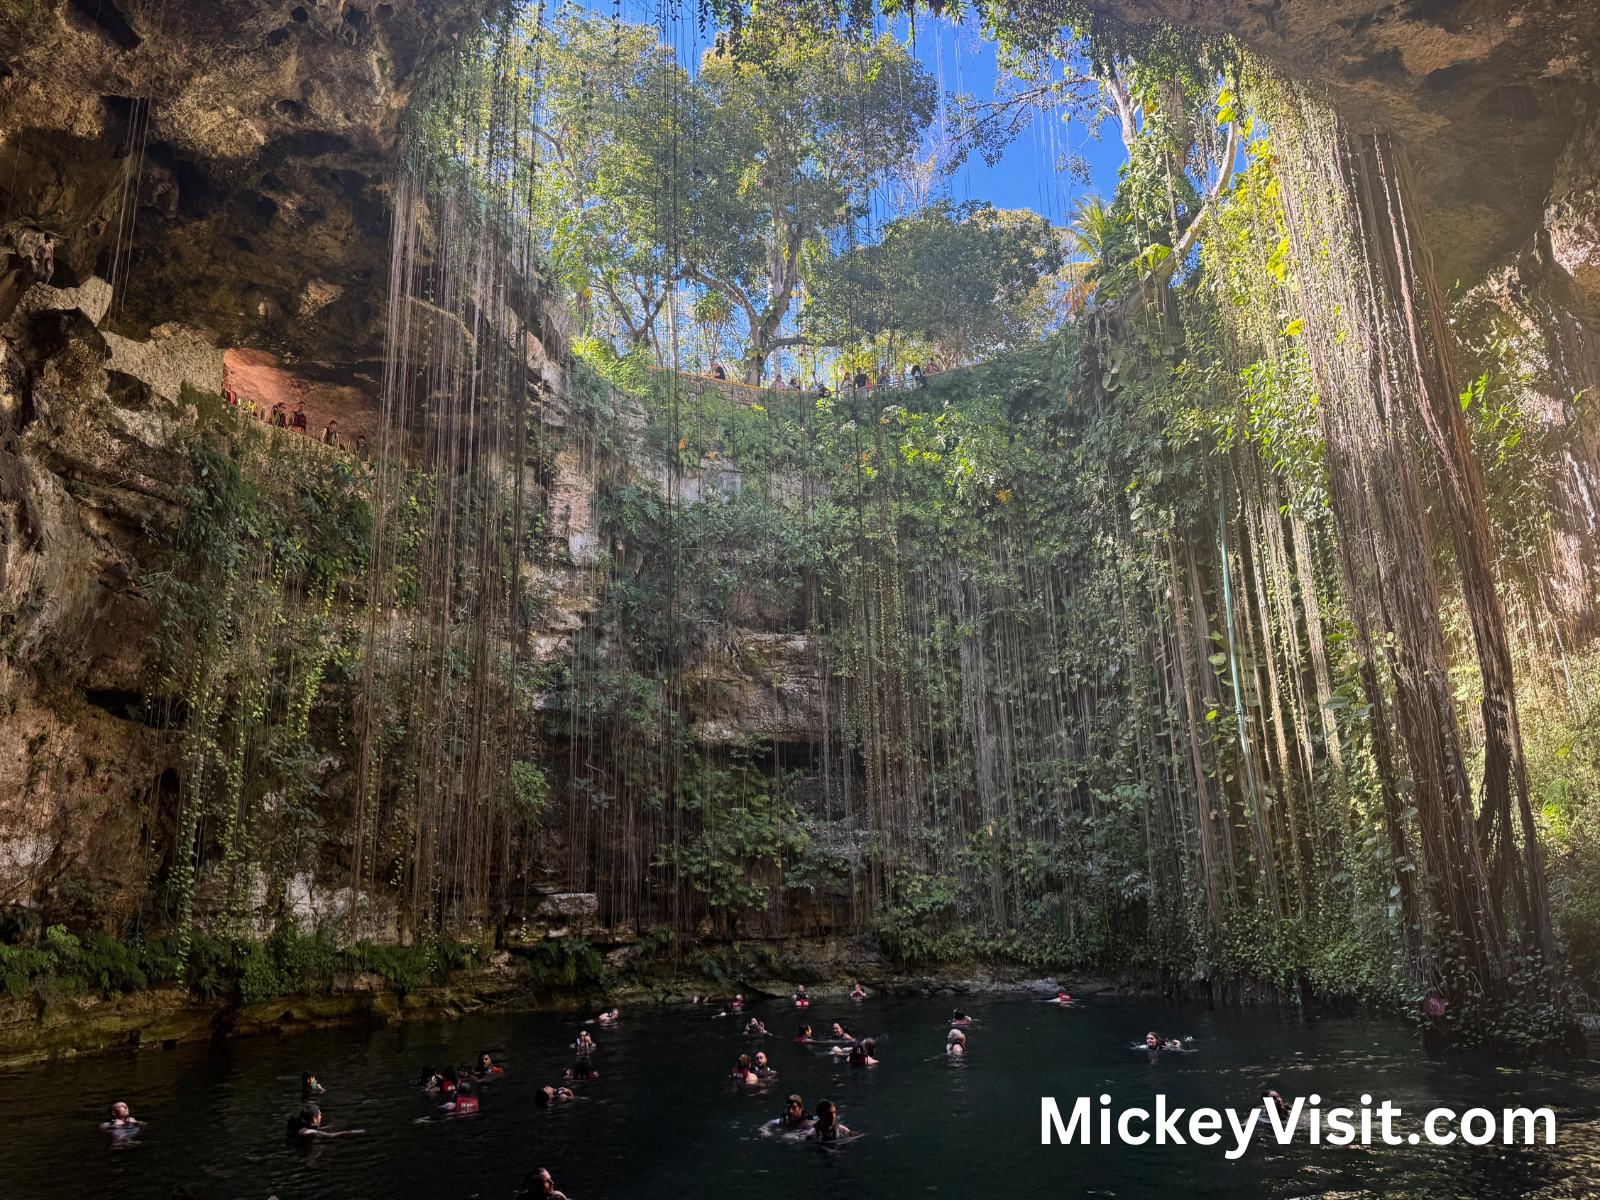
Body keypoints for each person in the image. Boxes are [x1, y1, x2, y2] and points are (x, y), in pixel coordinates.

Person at [287, 1103, 363, 1138]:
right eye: (319, 1115)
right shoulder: (309, 1132)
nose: (321, 1117)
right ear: (314, 1120)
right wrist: (350, 1132)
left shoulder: (301, 1125)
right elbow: (331, 1135)